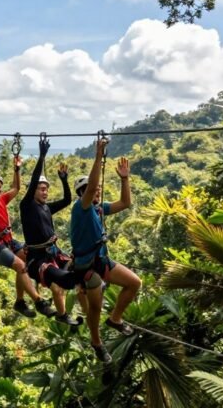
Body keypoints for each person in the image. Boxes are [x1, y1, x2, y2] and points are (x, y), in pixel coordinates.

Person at [71, 139, 141, 364]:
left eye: (99, 191)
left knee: (134, 283)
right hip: (87, 266)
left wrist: (124, 179)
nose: (97, 192)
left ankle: (116, 319)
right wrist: (98, 157)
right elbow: (91, 187)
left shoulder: (99, 209)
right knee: (95, 307)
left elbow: (125, 203)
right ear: (83, 193)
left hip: (102, 260)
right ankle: (96, 343)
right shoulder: (81, 208)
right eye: (94, 191)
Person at [0, 146, 55, 318]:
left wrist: (17, 169)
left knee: (28, 259)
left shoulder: (3, 199)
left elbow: (17, 188)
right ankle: (39, 301)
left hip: (8, 241)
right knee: (20, 266)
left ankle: (20, 302)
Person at [19, 137, 82, 326]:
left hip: (54, 253)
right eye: (41, 189)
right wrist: (42, 156)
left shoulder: (46, 207)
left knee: (62, 282)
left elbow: (67, 200)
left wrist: (64, 180)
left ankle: (62, 315)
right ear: (34, 191)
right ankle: (77, 284)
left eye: (46, 189)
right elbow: (32, 182)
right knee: (66, 280)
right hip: (37, 260)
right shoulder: (27, 206)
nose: (44, 192)